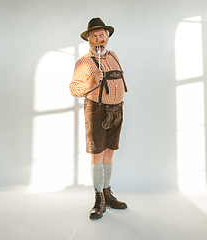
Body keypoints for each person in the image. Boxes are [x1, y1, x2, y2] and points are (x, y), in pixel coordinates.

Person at [69, 17, 128, 220]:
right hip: (96, 111)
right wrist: (93, 82)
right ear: (89, 39)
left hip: (117, 110)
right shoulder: (84, 62)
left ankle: (107, 194)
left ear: (107, 36)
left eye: (101, 35)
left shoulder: (113, 55)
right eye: (94, 36)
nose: (98, 38)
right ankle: (98, 199)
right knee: (97, 155)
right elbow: (74, 89)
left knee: (109, 154)